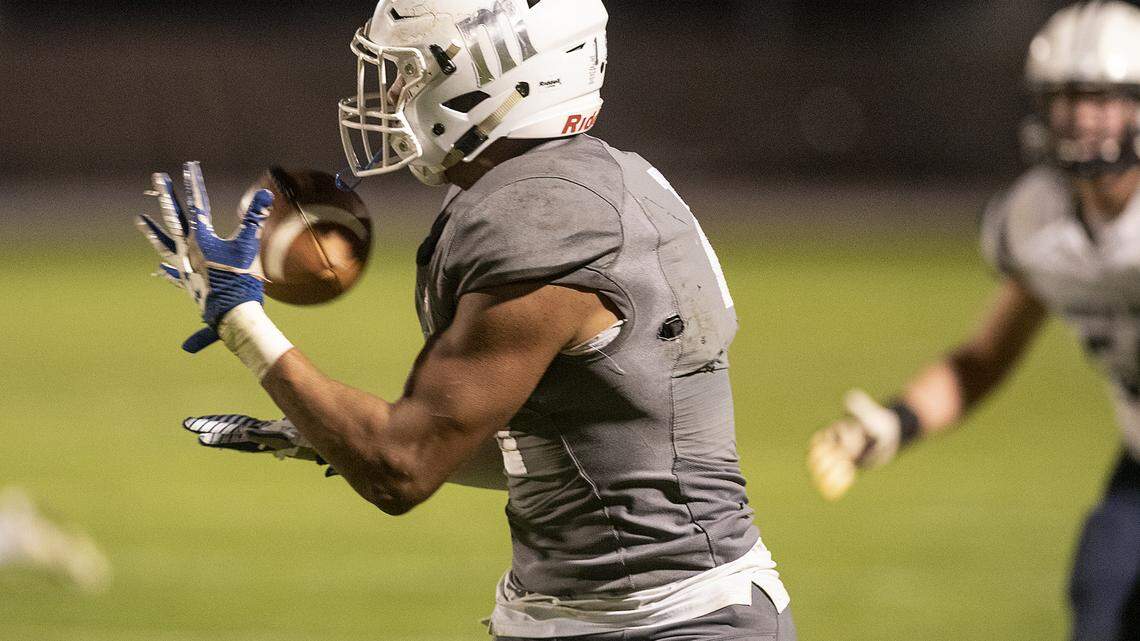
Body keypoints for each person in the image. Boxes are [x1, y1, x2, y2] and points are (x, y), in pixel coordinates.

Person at [135, 1, 796, 639]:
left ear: (502, 75)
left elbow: (401, 467)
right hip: (629, 609)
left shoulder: (542, 215)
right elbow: (563, 446)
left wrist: (239, 319)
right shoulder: (601, 179)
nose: (394, 97)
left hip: (668, 621)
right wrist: (325, 431)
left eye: (414, 72)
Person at [807, 3, 1140, 639]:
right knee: (1102, 593)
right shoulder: (1037, 218)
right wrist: (897, 422)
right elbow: (986, 356)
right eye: (1070, 97)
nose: (1085, 116)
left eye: (1104, 97)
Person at [0, 487, 110, 592]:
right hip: (17, 539)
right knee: (44, 546)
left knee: (45, 544)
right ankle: (79, 566)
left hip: (18, 534)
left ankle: (79, 565)